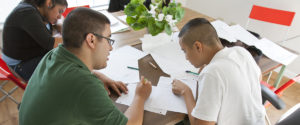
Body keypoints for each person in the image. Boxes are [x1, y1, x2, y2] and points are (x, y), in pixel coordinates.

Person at [19, 7, 152, 125]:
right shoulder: (84, 84)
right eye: (108, 39)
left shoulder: (55, 54)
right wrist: (140, 96)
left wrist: (98, 75)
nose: (111, 48)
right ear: (91, 40)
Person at [172, 18, 265, 125]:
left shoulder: (212, 73)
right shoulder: (241, 51)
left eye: (185, 51)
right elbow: (258, 77)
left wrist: (186, 92)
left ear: (198, 46)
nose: (186, 58)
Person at [2, 0, 68, 81]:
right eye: (60, 11)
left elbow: (45, 32)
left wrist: (59, 26)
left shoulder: (38, 11)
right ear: (49, 3)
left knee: (66, 58)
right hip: (19, 66)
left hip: (27, 58)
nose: (59, 16)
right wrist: (77, 37)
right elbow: (51, 43)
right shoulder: (27, 12)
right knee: (67, 64)